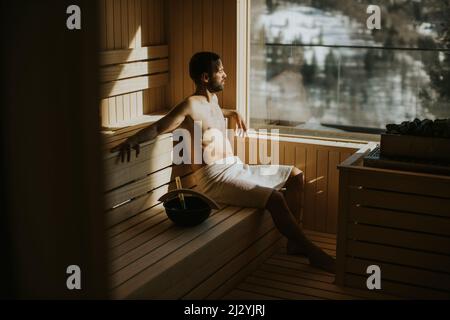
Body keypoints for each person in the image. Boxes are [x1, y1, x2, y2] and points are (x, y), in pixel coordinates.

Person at [111, 52, 335, 273]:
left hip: (236, 167)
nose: (225, 75)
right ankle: (312, 252)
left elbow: (212, 114)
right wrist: (133, 139)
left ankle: (294, 242)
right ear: (205, 77)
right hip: (216, 179)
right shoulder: (189, 105)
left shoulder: (214, 100)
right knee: (275, 198)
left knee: (295, 175)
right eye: (220, 71)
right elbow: (160, 126)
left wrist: (233, 112)